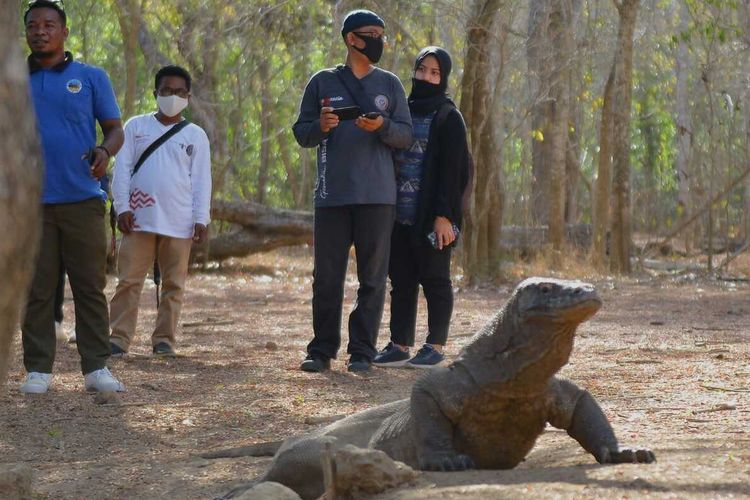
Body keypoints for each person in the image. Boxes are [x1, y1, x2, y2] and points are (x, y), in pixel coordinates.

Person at [293, 9, 412, 373]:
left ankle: (362, 351)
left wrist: (382, 126)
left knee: (373, 279)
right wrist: (322, 127)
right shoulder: (322, 82)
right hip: (332, 196)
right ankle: (321, 350)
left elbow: (405, 136)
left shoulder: (390, 84)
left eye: (382, 33)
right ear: (351, 38)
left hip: (378, 197)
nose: (379, 40)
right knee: (326, 277)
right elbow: (302, 132)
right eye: (371, 33)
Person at [21, 0, 125, 394]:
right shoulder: (12, 80)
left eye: (49, 24)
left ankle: (96, 367)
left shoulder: (90, 77)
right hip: (30, 203)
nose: (40, 31)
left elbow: (115, 129)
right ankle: (37, 370)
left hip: (82, 198)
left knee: (89, 286)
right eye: (33, 25)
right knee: (38, 288)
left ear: (65, 32)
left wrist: (104, 151)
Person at [373, 47, 471, 369]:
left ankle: (435, 345)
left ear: (443, 78)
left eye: (434, 73)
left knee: (435, 279)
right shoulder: (404, 111)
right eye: (422, 70)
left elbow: (454, 172)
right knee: (401, 280)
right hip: (400, 214)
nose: (426, 77)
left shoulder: (448, 116)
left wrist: (444, 217)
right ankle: (400, 344)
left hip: (434, 217)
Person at [109, 65, 211, 357]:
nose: (172, 96)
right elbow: (123, 170)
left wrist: (200, 218)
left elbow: (202, 179)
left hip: (180, 221)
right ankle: (118, 338)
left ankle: (164, 339)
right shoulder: (136, 127)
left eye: (179, 92)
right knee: (129, 281)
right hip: (138, 220)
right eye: (166, 91)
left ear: (188, 97)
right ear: (156, 93)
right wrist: (122, 208)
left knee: (174, 284)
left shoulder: (195, 135)